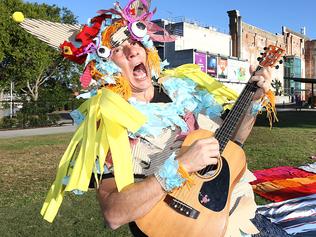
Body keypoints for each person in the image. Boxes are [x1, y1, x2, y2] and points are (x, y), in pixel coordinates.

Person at [35, 0, 290, 236]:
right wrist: (180, 167)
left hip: (244, 219)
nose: (132, 51)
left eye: (134, 41)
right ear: (103, 65)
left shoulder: (186, 90)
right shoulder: (107, 125)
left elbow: (234, 144)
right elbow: (114, 214)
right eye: (117, 50)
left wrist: (253, 100)